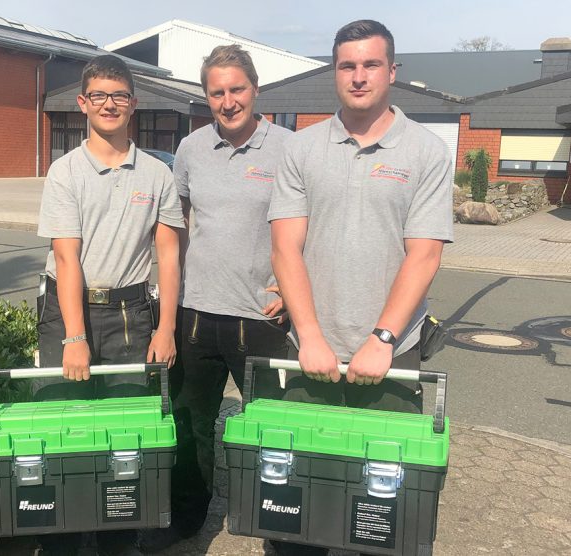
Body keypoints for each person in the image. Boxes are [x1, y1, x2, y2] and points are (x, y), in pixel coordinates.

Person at [267, 20, 453, 555]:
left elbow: (425, 253)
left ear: (392, 71)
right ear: (335, 72)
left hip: (391, 354)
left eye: (371, 64)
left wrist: (384, 339)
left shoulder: (424, 152)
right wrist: (309, 335)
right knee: (297, 501)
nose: (358, 76)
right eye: (348, 65)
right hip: (312, 353)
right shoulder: (302, 150)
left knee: (380, 508)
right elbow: (286, 249)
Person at [137, 45, 292, 553]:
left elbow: (307, 229)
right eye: (217, 92)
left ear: (255, 89)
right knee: (191, 424)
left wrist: (292, 288)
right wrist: (167, 297)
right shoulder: (191, 149)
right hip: (197, 315)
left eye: (237, 89)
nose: (228, 101)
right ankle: (184, 520)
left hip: (261, 319)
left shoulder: (290, 150)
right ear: (207, 96)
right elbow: (176, 229)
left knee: (273, 428)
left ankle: (282, 524)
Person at [36, 54, 183, 556]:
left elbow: (168, 254)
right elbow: (66, 256)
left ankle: (119, 537)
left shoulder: (159, 174)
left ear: (133, 104)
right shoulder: (65, 172)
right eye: (99, 95)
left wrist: (165, 329)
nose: (109, 104)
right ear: (82, 103)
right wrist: (75, 338)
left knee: (125, 430)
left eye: (119, 95)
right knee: (67, 427)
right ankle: (64, 538)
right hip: (69, 312)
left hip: (132, 315)